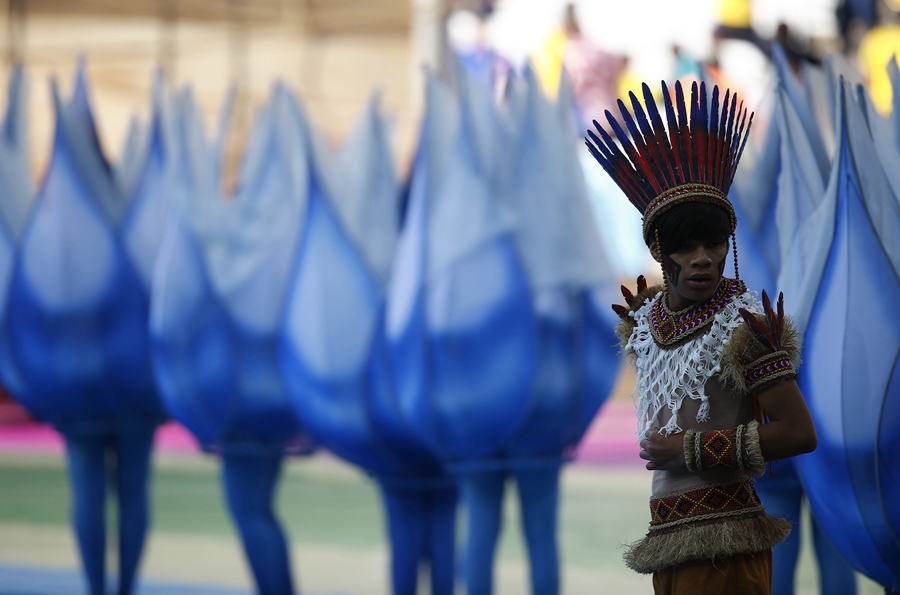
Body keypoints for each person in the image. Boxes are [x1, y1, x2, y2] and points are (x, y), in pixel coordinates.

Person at [585, 80, 817, 594]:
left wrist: (688, 450)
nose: (703, 259)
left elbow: (800, 433)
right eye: (686, 247)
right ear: (661, 253)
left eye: (713, 243)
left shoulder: (745, 327)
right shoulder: (645, 325)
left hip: (729, 550)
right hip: (668, 539)